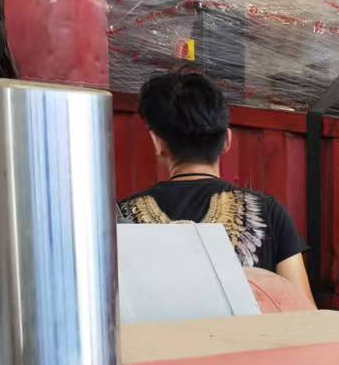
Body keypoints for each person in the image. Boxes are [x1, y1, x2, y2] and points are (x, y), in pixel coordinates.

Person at [118, 66, 312, 299]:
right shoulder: (269, 212)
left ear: (157, 142)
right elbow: (304, 310)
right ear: (227, 140)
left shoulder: (121, 218)